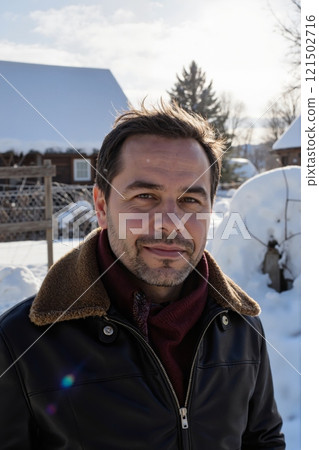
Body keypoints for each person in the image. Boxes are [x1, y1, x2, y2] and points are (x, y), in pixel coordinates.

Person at [0, 102, 285, 449]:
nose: (169, 221)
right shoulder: (20, 344)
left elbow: (263, 439)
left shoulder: (240, 327)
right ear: (102, 207)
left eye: (190, 200)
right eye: (145, 196)